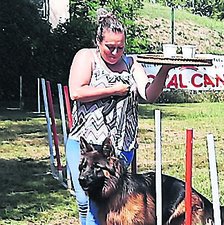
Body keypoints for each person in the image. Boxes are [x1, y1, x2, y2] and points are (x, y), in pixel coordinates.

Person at [66, 8, 176, 225]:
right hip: (87, 144)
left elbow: (149, 94)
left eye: (120, 47)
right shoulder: (86, 57)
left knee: (110, 202)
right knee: (83, 198)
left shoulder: (130, 63)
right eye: (110, 47)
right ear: (98, 42)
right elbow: (76, 92)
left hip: (120, 144)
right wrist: (113, 90)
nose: (116, 52)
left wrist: (165, 70)